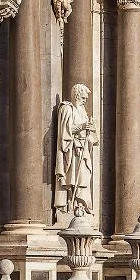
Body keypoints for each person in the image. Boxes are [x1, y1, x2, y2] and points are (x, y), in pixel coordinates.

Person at [54, 83, 99, 215]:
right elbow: (65, 131)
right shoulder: (68, 109)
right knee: (72, 177)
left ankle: (80, 203)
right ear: (77, 95)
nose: (85, 100)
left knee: (83, 176)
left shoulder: (83, 111)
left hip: (82, 149)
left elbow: (89, 133)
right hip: (72, 150)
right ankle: (71, 204)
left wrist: (91, 130)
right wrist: (83, 126)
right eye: (84, 98)